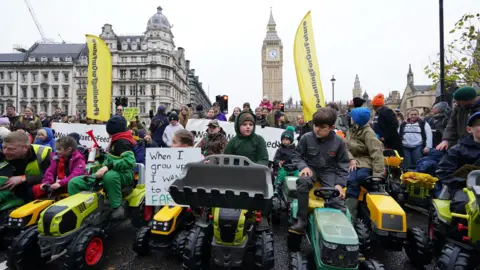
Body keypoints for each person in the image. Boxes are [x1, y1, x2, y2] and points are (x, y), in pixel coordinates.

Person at [290, 108, 349, 234]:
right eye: (315, 125)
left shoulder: (339, 142)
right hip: (311, 169)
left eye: (322, 127)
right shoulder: (306, 138)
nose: (317, 129)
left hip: (329, 171)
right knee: (302, 182)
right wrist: (303, 167)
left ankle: (342, 229)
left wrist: (339, 184)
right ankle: (302, 221)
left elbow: (343, 164)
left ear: (331, 127)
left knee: (336, 197)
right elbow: (296, 156)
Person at [68, 116, 136, 219]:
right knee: (74, 183)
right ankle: (78, 210)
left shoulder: (123, 142)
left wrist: (108, 167)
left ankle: (117, 207)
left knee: (110, 176)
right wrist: (101, 157)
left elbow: (130, 161)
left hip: (123, 174)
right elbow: (111, 158)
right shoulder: (115, 140)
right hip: (107, 172)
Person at [436, 112, 480, 222]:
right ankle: (459, 234)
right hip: (465, 188)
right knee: (464, 205)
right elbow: (443, 171)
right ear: (469, 130)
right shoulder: (458, 150)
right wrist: (463, 181)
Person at [344, 108, 385, 221]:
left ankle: (367, 207)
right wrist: (351, 159)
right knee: (352, 180)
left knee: (362, 178)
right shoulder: (351, 130)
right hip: (353, 161)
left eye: (352, 117)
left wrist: (378, 174)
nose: (350, 118)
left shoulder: (368, 133)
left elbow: (377, 153)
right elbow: (344, 147)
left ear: (357, 119)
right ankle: (350, 215)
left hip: (365, 161)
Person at [0, 131, 52, 203]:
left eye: (11, 149)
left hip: (36, 195)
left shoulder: (45, 154)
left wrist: (24, 178)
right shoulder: (1, 154)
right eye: (4, 147)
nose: (5, 152)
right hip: (8, 194)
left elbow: (51, 177)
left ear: (25, 148)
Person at [437, 86, 480, 151]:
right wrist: (445, 139)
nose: (457, 103)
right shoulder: (458, 108)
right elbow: (451, 124)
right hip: (461, 142)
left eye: (459, 101)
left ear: (468, 100)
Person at [371, 93, 404, 157]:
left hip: (391, 142)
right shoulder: (377, 113)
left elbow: (394, 125)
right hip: (381, 141)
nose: (374, 108)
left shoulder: (387, 111)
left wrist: (385, 137)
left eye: (375, 106)